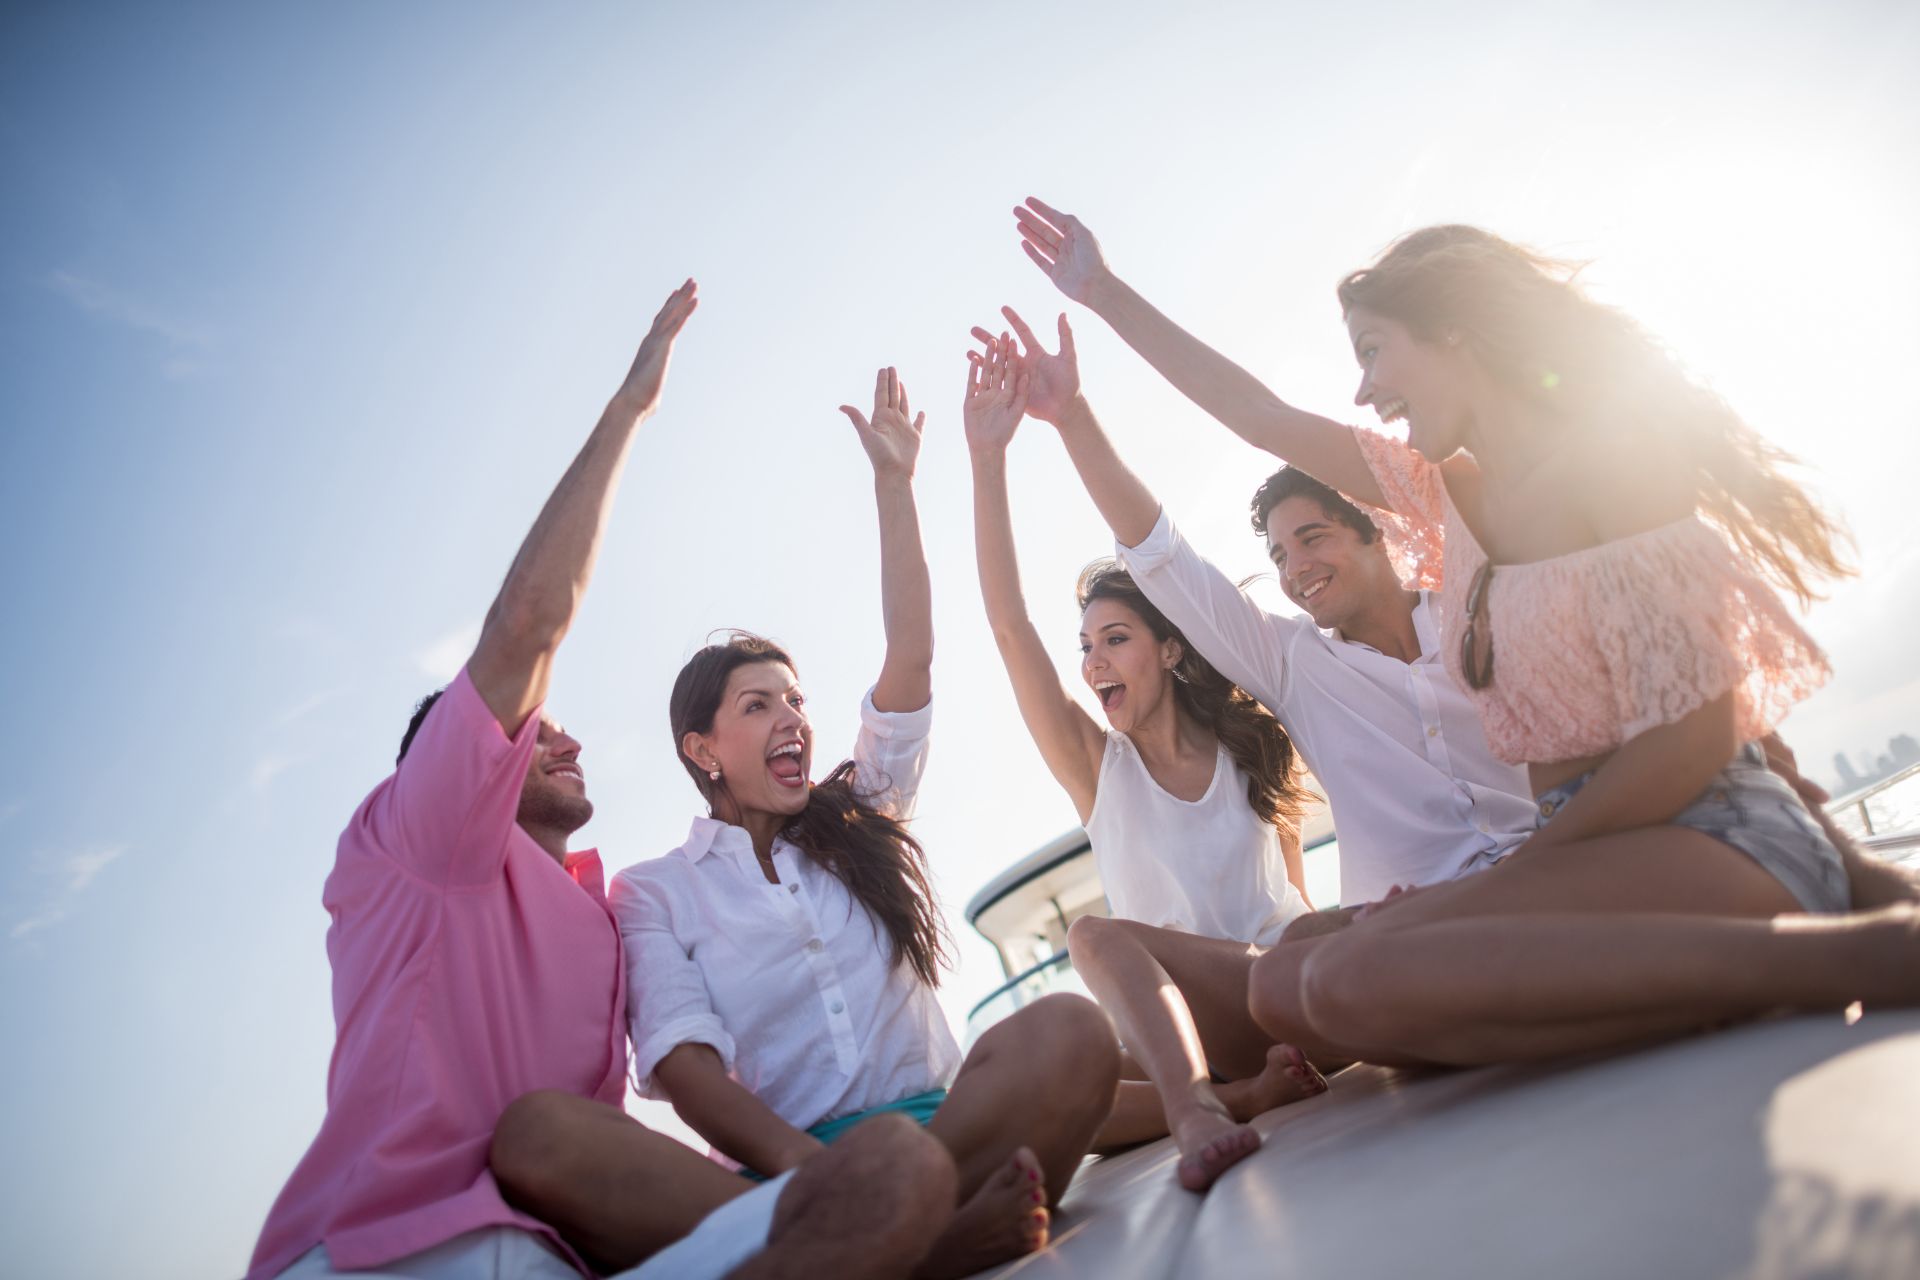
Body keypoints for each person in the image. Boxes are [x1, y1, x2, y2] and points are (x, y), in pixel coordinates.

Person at [1011, 200, 1920, 1065]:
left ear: (1452, 331)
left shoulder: (1608, 468)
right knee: (1293, 981)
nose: (1366, 390)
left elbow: (1707, 730)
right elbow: (1258, 418)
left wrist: (1507, 881)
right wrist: (1102, 293)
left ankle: (1843, 964)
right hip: (1585, 854)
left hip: (1687, 830)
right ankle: (1661, 990)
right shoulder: (1450, 498)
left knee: (1348, 975)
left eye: (1375, 351)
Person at [250, 284, 956, 1280]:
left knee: (944, 1134)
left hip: (560, 1248)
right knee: (589, 1137)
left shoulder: (594, 910)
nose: (564, 740)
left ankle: (898, 1222)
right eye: (532, 732)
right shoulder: (431, 834)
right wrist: (630, 409)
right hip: (399, 1246)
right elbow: (526, 625)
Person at [498, 369, 1121, 1280]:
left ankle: (886, 1243)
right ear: (703, 749)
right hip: (783, 1183)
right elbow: (690, 1074)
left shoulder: (860, 815)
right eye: (758, 707)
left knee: (1068, 1030)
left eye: (796, 700)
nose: (792, 718)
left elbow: (910, 656)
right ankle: (917, 1239)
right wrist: (833, 1181)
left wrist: (894, 486)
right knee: (549, 1140)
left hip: (943, 1131)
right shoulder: (655, 892)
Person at [962, 335, 1324, 1192]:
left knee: (1295, 933)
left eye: (1114, 641)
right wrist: (988, 460)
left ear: (1169, 649)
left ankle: (1203, 1106)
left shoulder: (1252, 744)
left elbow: (1297, 898)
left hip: (1277, 989)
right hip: (1185, 1026)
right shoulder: (1098, 768)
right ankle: (1224, 1095)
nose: (1093, 666)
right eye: (1085, 648)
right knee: (1057, 1070)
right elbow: (1010, 627)